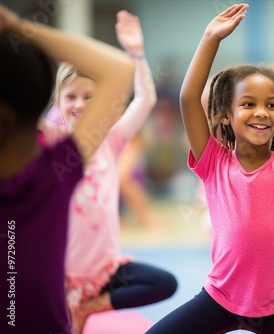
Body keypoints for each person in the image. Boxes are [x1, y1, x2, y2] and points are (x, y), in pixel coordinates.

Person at [146, 3, 274, 333]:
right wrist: (210, 39)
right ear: (226, 114)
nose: (261, 112)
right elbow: (188, 98)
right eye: (248, 104)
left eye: (272, 105)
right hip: (219, 298)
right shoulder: (212, 160)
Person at [39, 11, 177, 334]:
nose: (79, 105)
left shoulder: (112, 138)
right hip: (58, 274)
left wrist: (137, 54)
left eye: (89, 97)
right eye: (71, 97)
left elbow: (146, 99)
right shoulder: (52, 140)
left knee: (165, 283)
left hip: (106, 273)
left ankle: (90, 307)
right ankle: (73, 308)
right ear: (58, 102)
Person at [0, 4, 135, 334]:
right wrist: (17, 26)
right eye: (70, 96)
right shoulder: (56, 172)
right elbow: (119, 70)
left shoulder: (55, 171)